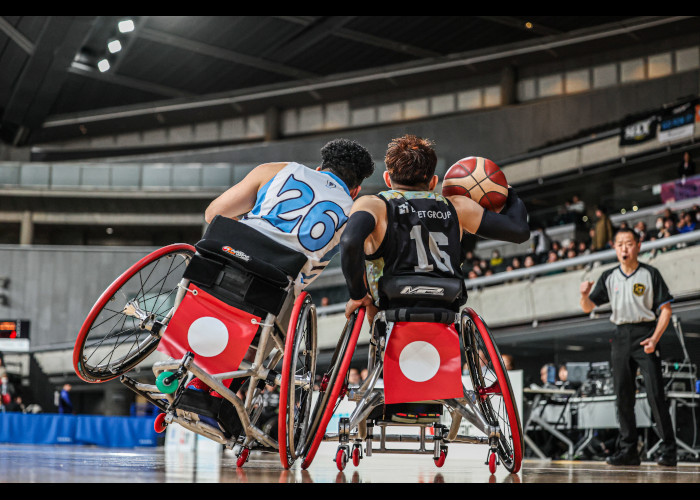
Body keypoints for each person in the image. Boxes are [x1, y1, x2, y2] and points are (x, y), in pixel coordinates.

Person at [338, 134, 529, 325]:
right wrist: (506, 190)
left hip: (392, 307)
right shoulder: (458, 207)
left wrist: (358, 295)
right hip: (446, 304)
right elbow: (519, 230)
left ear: (388, 179)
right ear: (432, 181)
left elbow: (349, 241)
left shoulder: (374, 204)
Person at [205, 138, 375, 293]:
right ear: (355, 192)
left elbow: (213, 213)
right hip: (278, 285)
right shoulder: (353, 212)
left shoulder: (276, 169)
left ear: (318, 169)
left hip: (230, 258)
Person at [579, 227, 677, 467]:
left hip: (646, 335)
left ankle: (669, 450)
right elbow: (588, 307)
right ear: (614, 247)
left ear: (638, 246)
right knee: (623, 397)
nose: (624, 248)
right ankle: (629, 450)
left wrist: (654, 338)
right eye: (620, 243)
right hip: (621, 336)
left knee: (656, 395)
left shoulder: (650, 274)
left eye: (629, 243)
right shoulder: (609, 276)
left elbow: (666, 310)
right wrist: (584, 295)